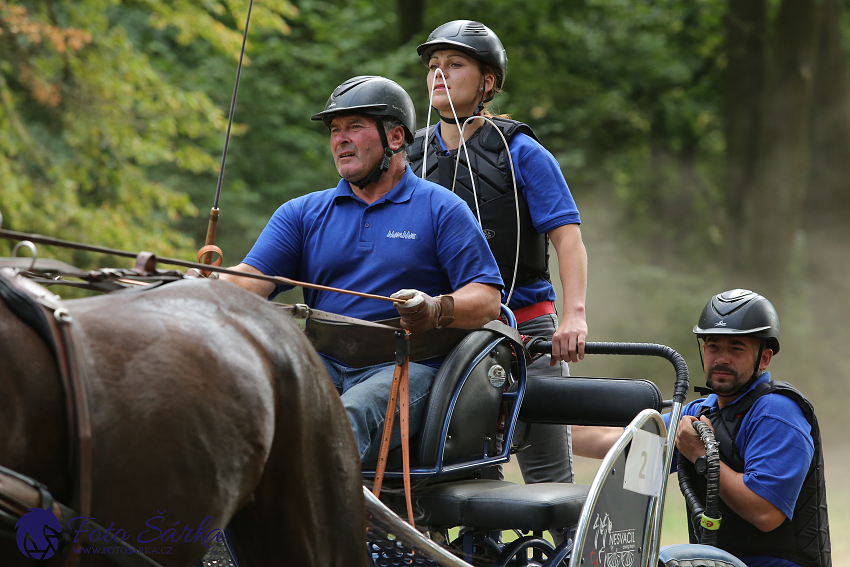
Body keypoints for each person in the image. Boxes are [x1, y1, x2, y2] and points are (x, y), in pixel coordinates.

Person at [219, 75, 503, 463]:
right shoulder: (301, 213)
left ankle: (319, 522)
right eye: (335, 130)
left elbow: (487, 300)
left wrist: (434, 308)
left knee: (345, 416)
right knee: (240, 404)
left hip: (409, 365)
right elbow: (249, 281)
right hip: (323, 361)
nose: (340, 139)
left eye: (354, 127)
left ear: (397, 138)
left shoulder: (442, 209)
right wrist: (198, 286)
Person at [409, 20, 588, 486]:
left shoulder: (522, 152)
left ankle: (562, 553)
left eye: (455, 64)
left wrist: (575, 317)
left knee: (548, 474)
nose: (439, 75)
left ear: (487, 82)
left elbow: (567, 237)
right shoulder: (409, 158)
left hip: (527, 331)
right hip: (446, 336)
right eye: (433, 66)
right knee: (461, 474)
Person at [575, 289, 831, 567]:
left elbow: (765, 513)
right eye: (713, 346)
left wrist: (701, 455)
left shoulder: (776, 412)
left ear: (764, 358)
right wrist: (539, 430)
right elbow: (615, 442)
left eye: (736, 348)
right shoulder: (699, 412)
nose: (722, 358)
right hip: (717, 561)